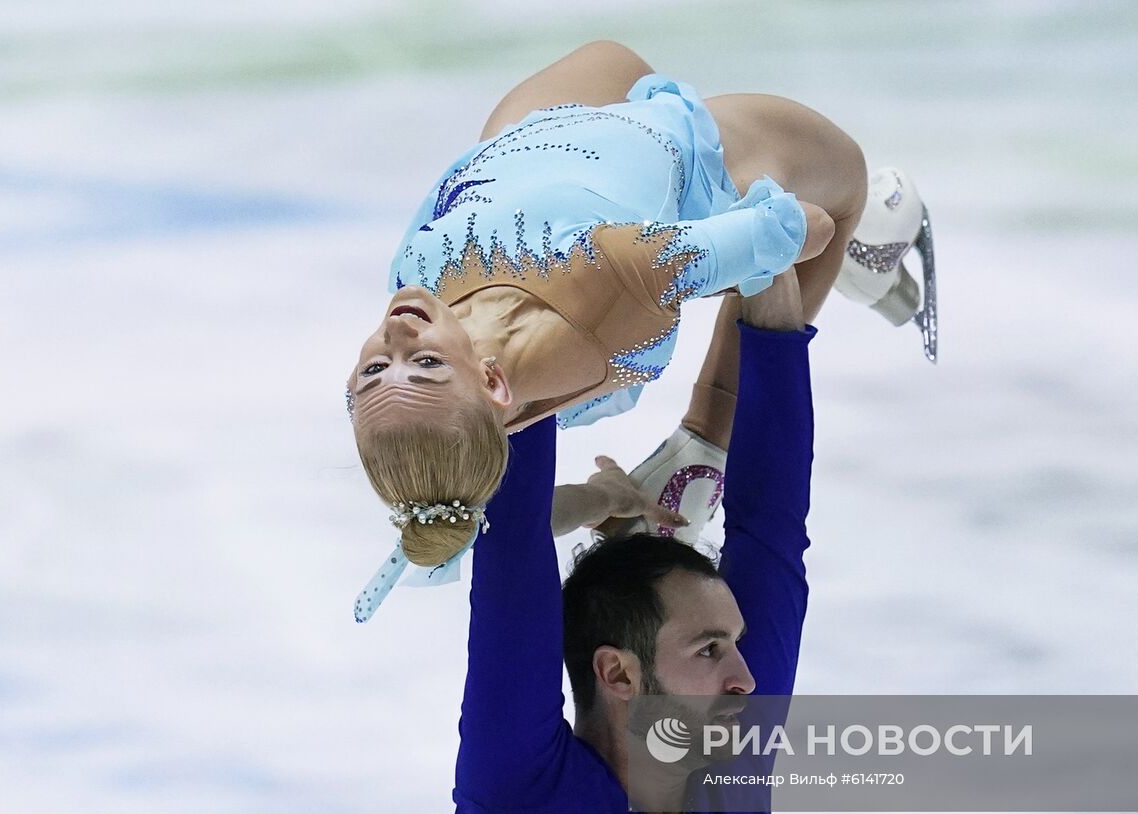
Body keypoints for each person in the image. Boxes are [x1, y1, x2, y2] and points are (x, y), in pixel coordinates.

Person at [346, 41, 936, 618]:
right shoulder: (614, 274)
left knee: (611, 58)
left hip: (530, 147)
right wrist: (735, 245)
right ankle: (708, 436)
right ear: (493, 382)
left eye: (374, 370)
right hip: (662, 164)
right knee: (842, 188)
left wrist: (597, 499)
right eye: (425, 364)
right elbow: (804, 232)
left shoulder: (424, 360)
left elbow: (488, 520)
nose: (398, 337)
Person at [452, 249, 818, 814]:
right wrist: (765, 272)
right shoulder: (525, 793)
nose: (748, 677)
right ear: (617, 674)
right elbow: (774, 526)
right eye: (711, 648)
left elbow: (773, 532)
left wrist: (767, 258)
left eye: (727, 645)